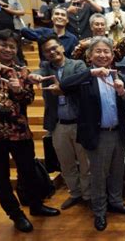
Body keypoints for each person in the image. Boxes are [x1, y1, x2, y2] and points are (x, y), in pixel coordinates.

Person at [0, 29, 60, 233]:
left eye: (12, 46)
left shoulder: (22, 71)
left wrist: (18, 90)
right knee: (0, 176)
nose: (8, 49)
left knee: (28, 171)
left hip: (19, 131)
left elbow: (27, 99)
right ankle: (15, 214)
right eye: (3, 45)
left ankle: (36, 205)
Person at [60, 36, 125, 231]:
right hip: (97, 135)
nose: (103, 55)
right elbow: (64, 85)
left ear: (112, 56)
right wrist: (91, 72)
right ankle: (100, 211)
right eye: (98, 51)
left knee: (117, 173)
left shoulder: (117, 76)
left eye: (107, 52)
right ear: (89, 55)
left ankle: (117, 203)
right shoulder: (86, 77)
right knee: (98, 176)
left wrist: (122, 93)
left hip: (118, 133)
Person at [28, 34, 90, 210]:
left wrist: (62, 90)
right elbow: (37, 73)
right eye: (47, 51)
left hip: (80, 122)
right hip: (58, 125)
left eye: (54, 47)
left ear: (62, 47)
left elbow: (81, 84)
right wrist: (34, 76)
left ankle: (88, 195)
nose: (52, 52)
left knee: (86, 163)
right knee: (66, 163)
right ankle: (75, 193)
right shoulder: (45, 67)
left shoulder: (77, 65)